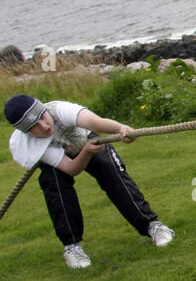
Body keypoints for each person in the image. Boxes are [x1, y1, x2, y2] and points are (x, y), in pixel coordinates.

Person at [6, 94, 174, 269]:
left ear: (44, 110)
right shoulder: (29, 144)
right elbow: (71, 168)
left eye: (42, 117)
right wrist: (86, 153)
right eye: (34, 127)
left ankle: (152, 225)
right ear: (26, 132)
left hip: (84, 138)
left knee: (112, 174)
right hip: (61, 155)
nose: (44, 126)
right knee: (55, 187)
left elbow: (95, 122)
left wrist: (120, 128)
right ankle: (72, 247)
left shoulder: (59, 110)